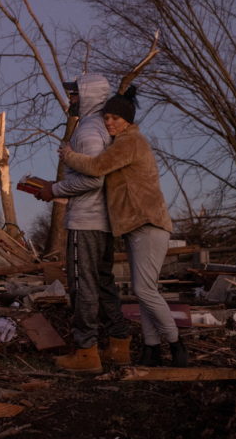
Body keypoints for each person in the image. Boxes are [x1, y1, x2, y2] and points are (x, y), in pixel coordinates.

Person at [59, 85, 188, 367]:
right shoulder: (120, 141)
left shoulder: (131, 142)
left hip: (148, 224)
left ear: (128, 120)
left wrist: (67, 154)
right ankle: (151, 349)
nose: (109, 123)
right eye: (107, 118)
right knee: (144, 290)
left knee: (144, 291)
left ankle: (177, 343)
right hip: (134, 227)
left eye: (116, 119)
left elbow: (95, 169)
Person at [35, 73, 131, 374]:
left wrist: (55, 190)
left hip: (87, 220)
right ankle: (118, 344)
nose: (70, 100)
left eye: (75, 94)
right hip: (103, 221)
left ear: (88, 96)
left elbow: (93, 178)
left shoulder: (89, 130)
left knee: (82, 286)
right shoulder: (104, 128)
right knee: (103, 283)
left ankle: (86, 352)